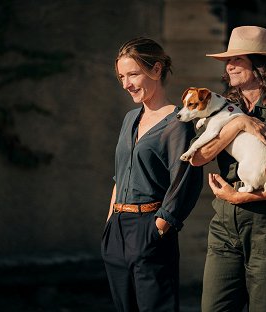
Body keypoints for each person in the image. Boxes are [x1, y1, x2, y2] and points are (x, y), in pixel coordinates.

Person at [189, 26, 266, 312]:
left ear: (261, 66)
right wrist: (238, 124)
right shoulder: (222, 108)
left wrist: (242, 197)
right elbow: (197, 157)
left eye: (238, 60)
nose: (229, 66)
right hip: (224, 225)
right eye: (228, 61)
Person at [101, 37, 203, 312]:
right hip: (118, 231)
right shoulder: (129, 119)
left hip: (150, 228)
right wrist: (110, 223)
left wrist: (158, 228)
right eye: (122, 76)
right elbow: (119, 176)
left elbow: (184, 182)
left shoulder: (178, 124)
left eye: (133, 74)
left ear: (156, 70)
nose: (126, 83)